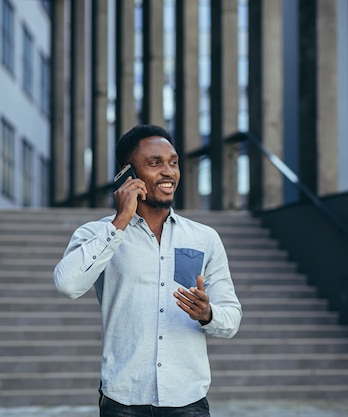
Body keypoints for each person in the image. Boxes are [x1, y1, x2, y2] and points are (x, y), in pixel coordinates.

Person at [53, 124, 242, 417]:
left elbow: (231, 318)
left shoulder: (204, 238)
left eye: (174, 162)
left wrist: (207, 314)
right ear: (128, 175)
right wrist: (120, 222)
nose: (169, 172)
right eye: (155, 163)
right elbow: (67, 284)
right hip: (123, 400)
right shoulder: (97, 234)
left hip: (188, 401)